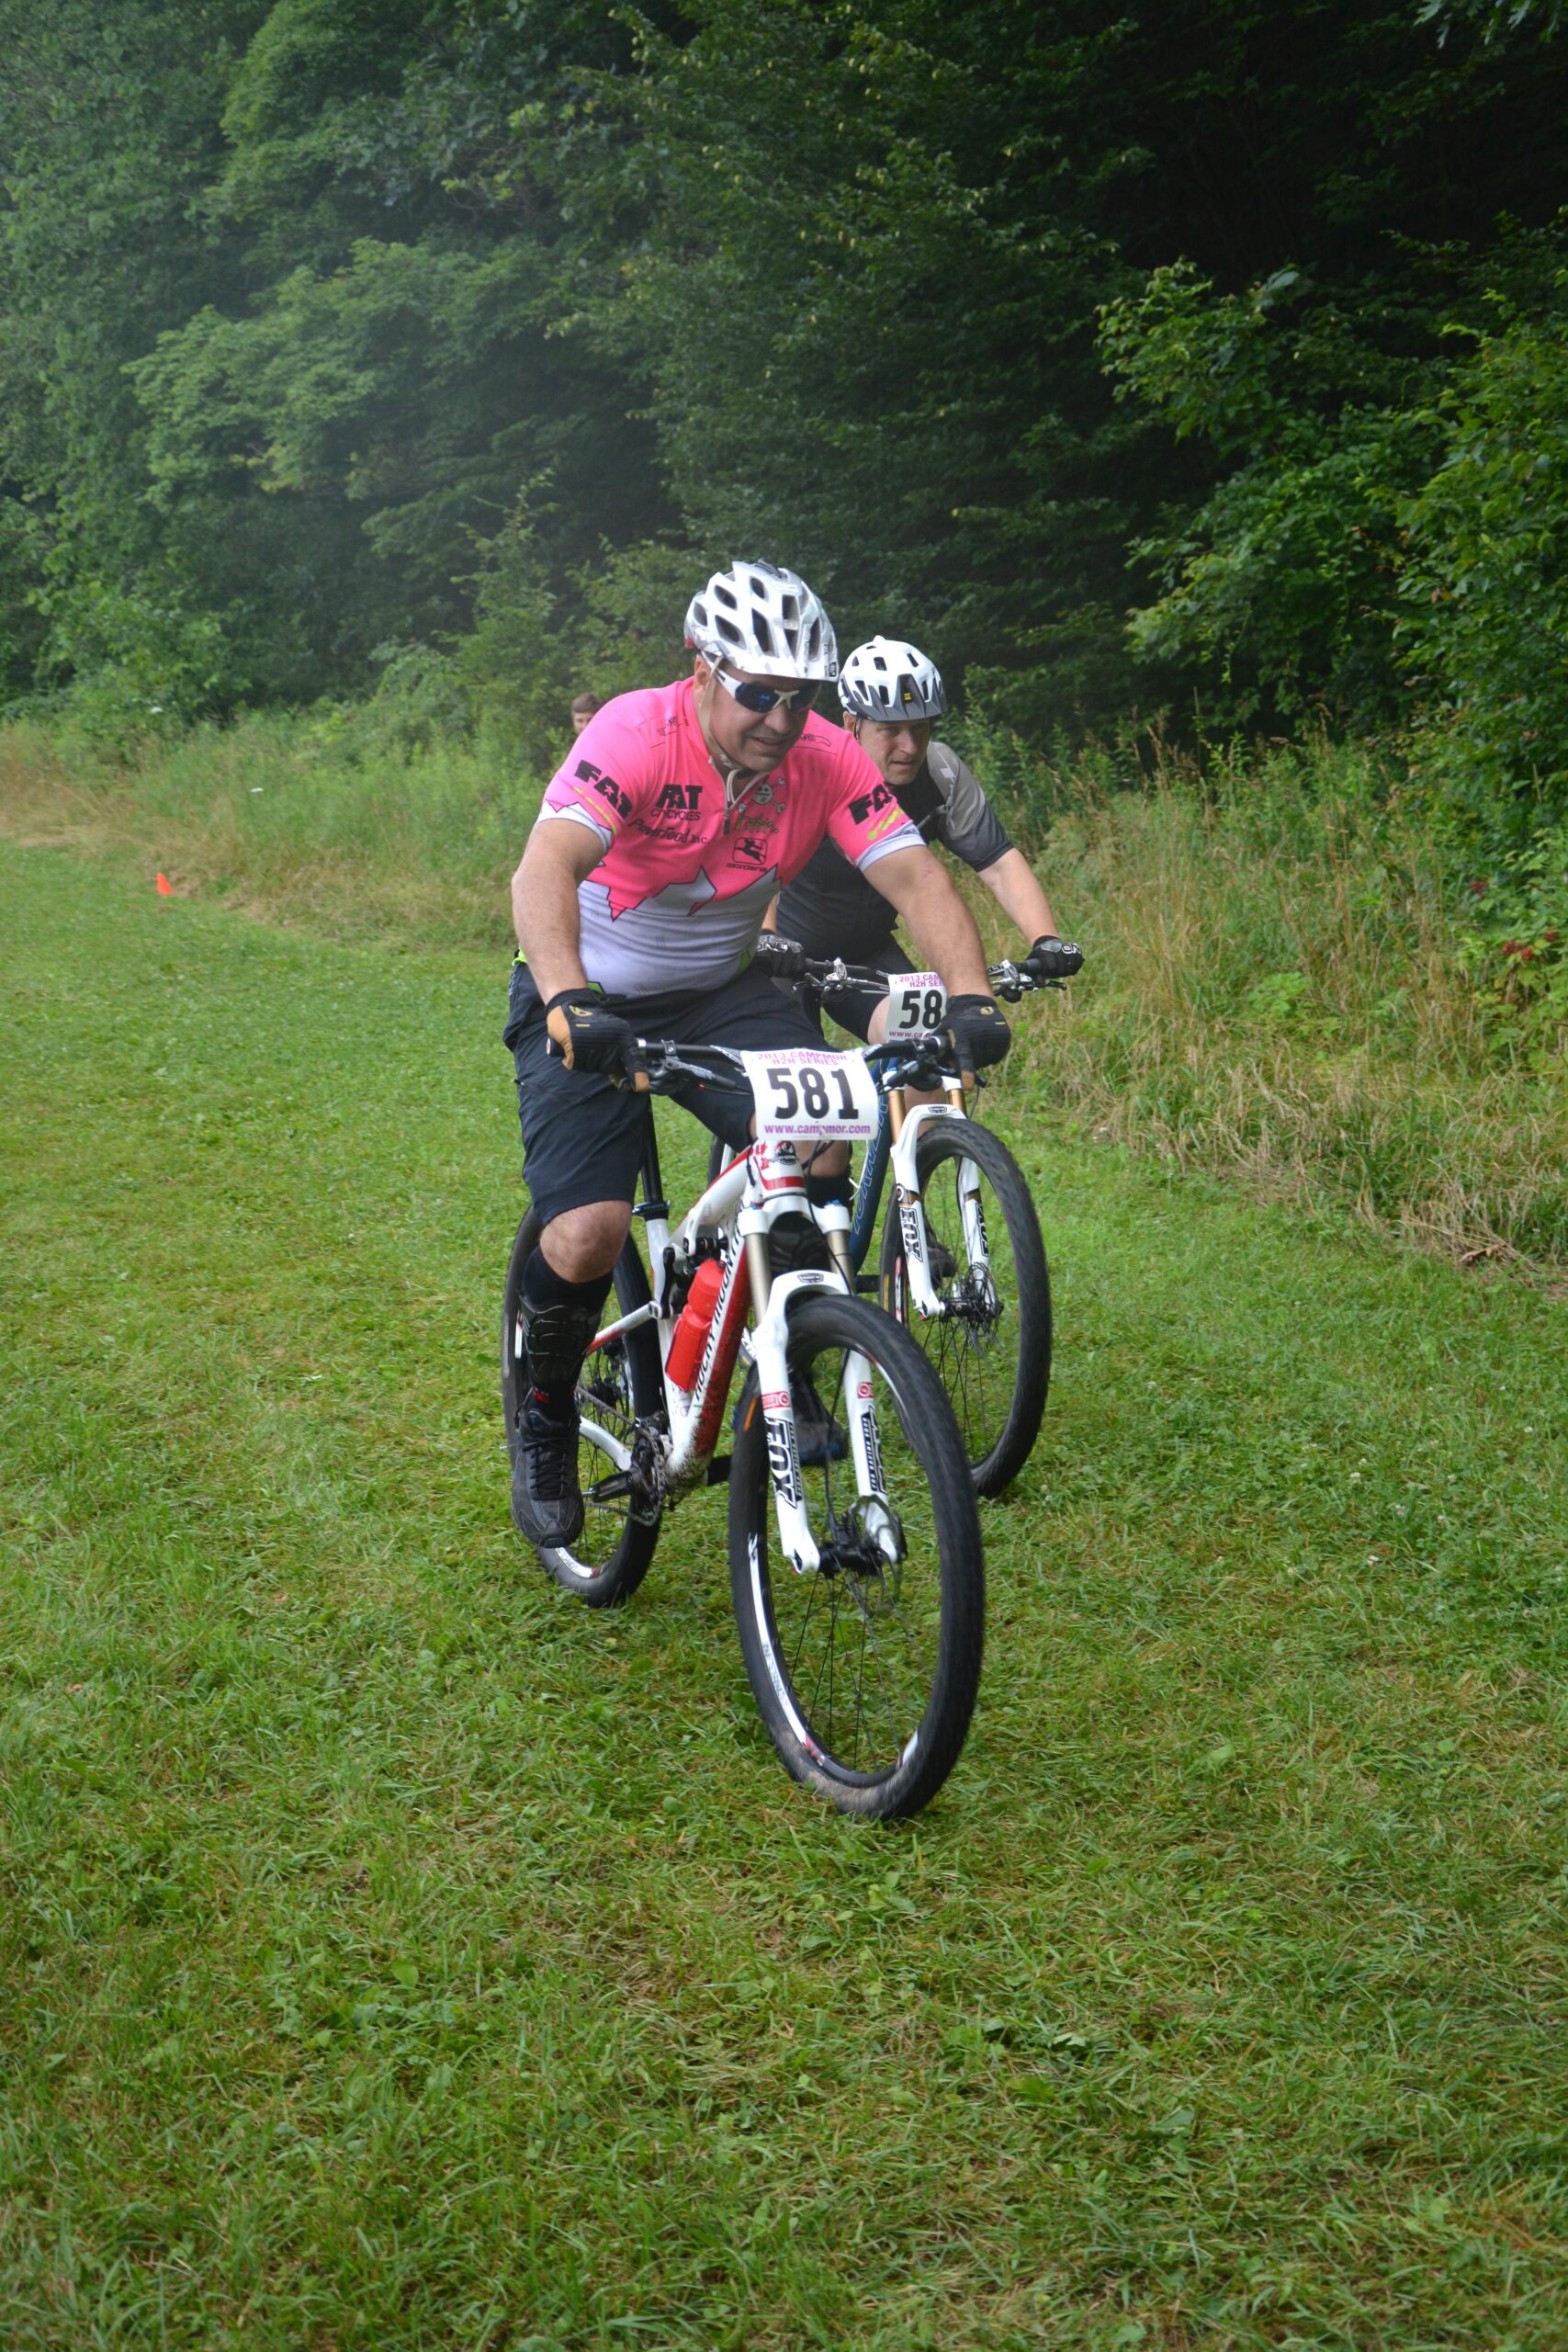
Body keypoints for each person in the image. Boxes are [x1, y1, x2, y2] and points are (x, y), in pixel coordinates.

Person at [504, 560, 1013, 1549]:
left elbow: (917, 880)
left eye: (801, 698)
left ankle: (791, 1352)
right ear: (702, 668)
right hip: (590, 990)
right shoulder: (635, 732)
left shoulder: (826, 758)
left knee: (821, 1139)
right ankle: (547, 1413)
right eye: (759, 694)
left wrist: (970, 998)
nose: (781, 720)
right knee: (589, 1232)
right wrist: (566, 998)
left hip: (719, 993)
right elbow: (545, 867)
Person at [770, 636, 1080, 1041]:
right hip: (784, 956)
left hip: (867, 951)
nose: (909, 746)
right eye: (890, 730)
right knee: (801, 1067)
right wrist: (767, 940)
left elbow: (999, 864)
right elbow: (757, 867)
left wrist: (1046, 939)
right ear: (851, 723)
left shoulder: (940, 771)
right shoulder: (809, 768)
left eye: (920, 727)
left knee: (934, 1049)